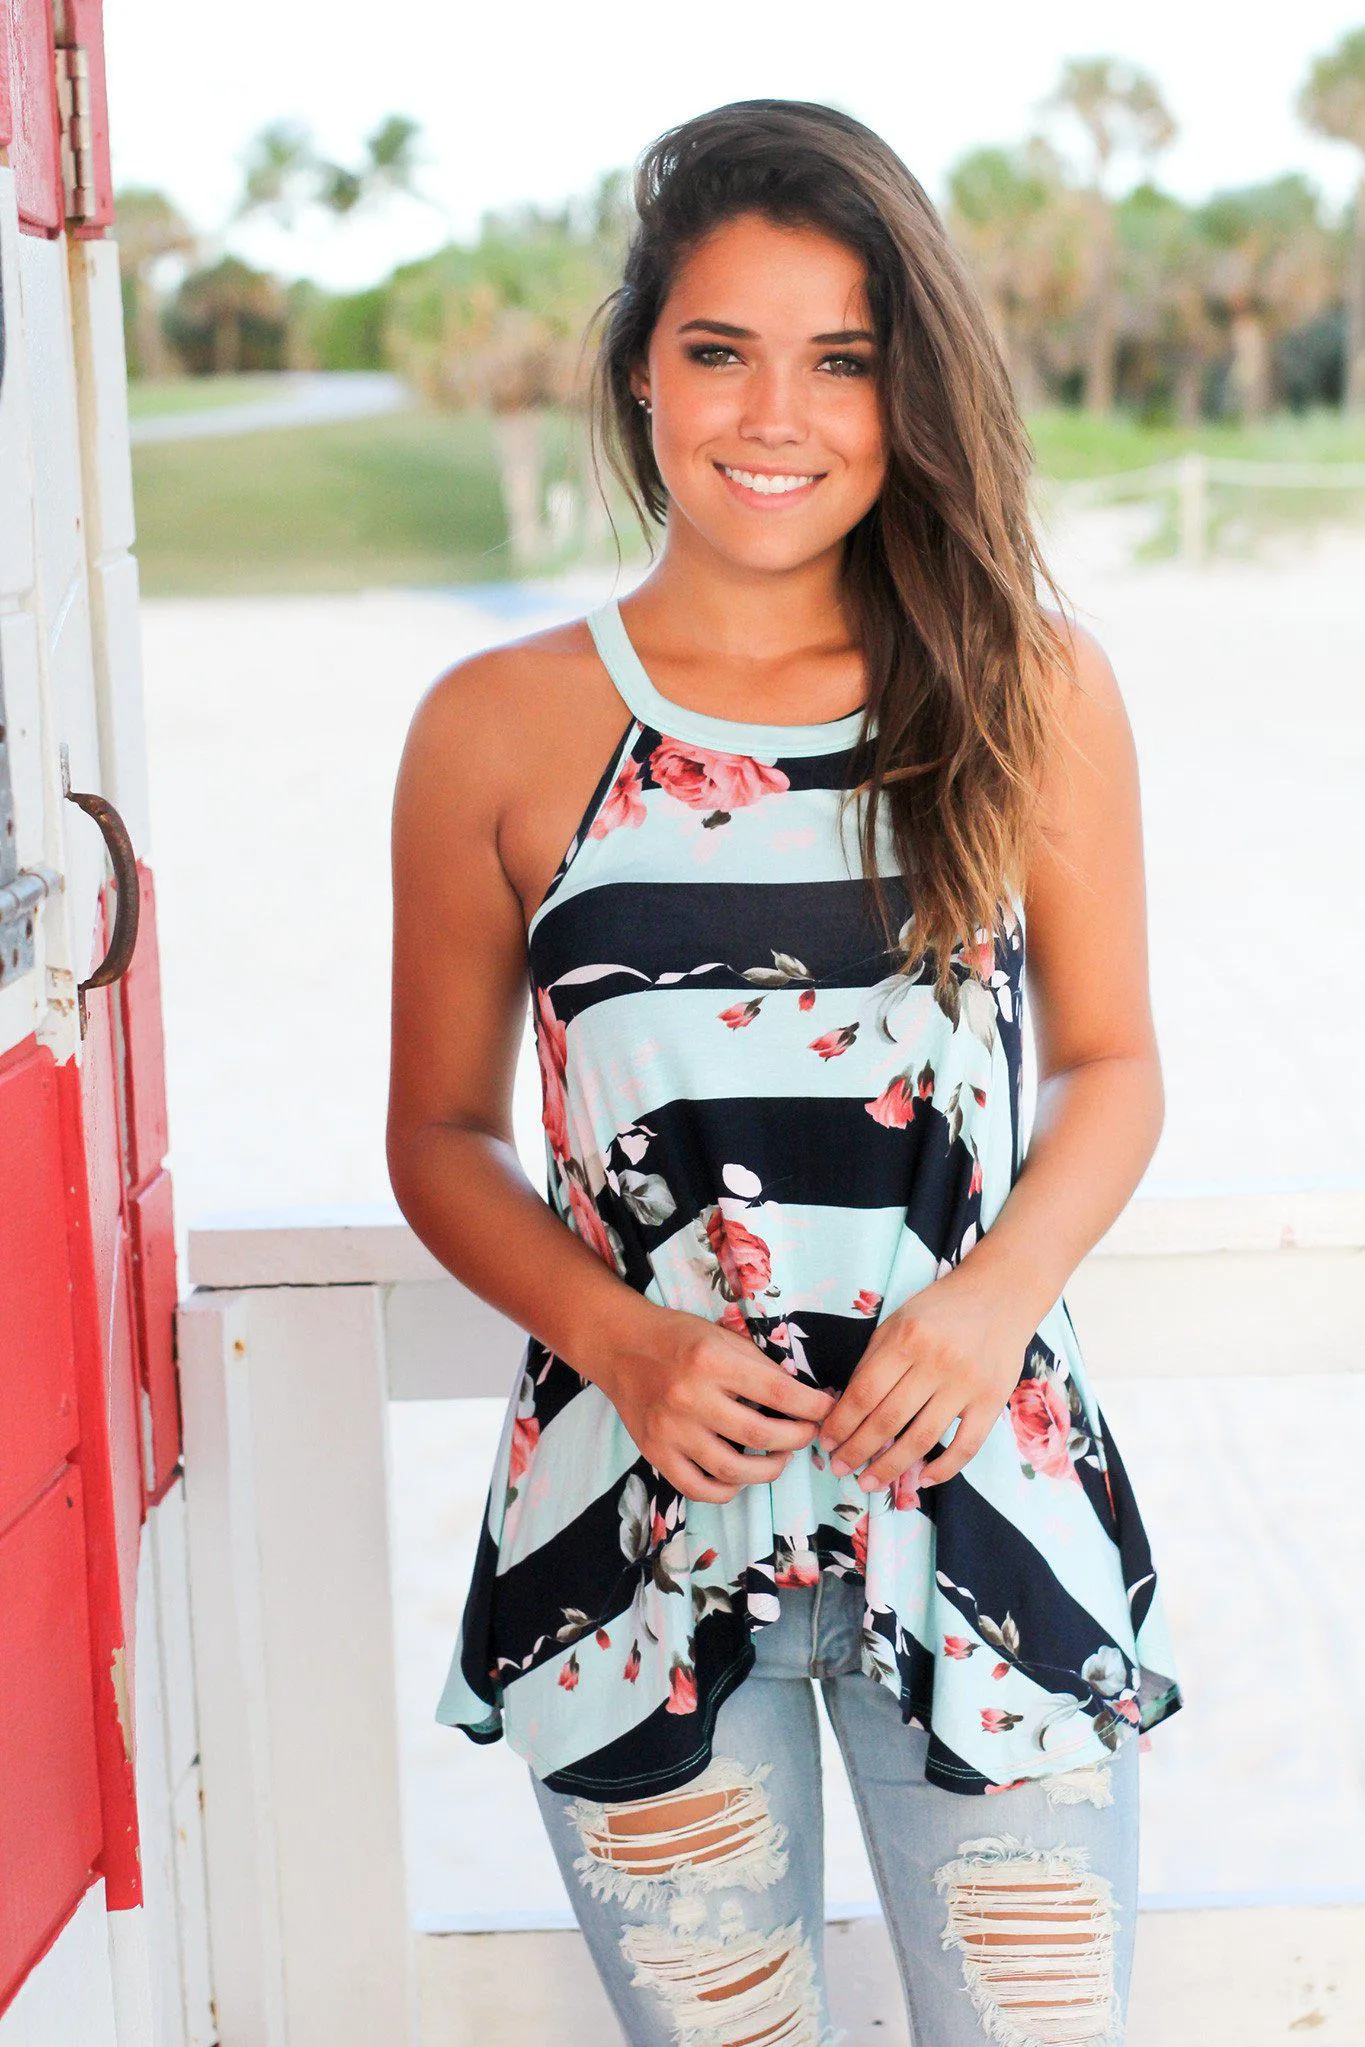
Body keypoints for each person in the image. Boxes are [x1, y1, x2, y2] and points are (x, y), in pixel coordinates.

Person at [387, 97, 1183, 2047]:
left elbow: (1110, 1064)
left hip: (978, 1511)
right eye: (720, 349)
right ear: (637, 369)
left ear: (907, 390)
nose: (778, 412)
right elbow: (438, 1131)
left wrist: (993, 1305)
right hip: (637, 1527)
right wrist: (625, 1338)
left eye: (844, 359)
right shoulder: (496, 726)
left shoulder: (1024, 684)